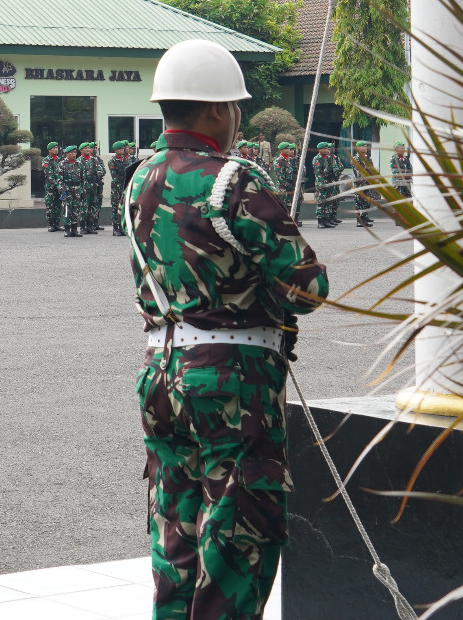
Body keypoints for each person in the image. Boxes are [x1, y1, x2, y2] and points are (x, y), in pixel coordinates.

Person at [129, 39, 328, 620]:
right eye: (235, 107)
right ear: (217, 110)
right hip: (232, 383)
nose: (237, 118)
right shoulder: (234, 180)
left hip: (162, 376)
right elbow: (309, 287)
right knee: (238, 538)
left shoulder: (140, 179)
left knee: (176, 536)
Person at [312, 142, 342, 228]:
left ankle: (326, 220)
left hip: (329, 183)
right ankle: (320, 221)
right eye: (325, 149)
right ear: (319, 149)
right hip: (321, 184)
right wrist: (322, 184)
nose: (327, 150)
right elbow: (318, 174)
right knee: (321, 203)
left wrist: (333, 179)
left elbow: (333, 169)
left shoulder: (329, 158)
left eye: (327, 148)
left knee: (328, 202)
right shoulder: (317, 159)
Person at [60, 144, 85, 238]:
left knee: (76, 210)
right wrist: (62, 190)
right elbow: (59, 179)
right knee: (67, 210)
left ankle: (74, 229)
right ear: (67, 153)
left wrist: (82, 189)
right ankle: (67, 229)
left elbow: (83, 178)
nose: (74, 154)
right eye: (71, 152)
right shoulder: (62, 164)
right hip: (67, 189)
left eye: (75, 152)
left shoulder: (79, 164)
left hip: (77, 189)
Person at [83, 142, 106, 234]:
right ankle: (83, 226)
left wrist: (97, 174)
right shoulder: (81, 160)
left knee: (95, 205)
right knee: (85, 206)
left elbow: (102, 170)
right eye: (93, 148)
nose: (94, 150)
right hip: (86, 186)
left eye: (95, 148)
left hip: (96, 185)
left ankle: (93, 223)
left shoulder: (96, 160)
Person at [352, 140, 375, 227]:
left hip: (367, 183)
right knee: (359, 202)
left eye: (365, 146)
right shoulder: (356, 158)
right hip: (360, 183)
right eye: (363, 146)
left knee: (366, 201)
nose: (365, 148)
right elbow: (359, 172)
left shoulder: (368, 157)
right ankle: (359, 220)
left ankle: (364, 218)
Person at [42, 142, 63, 231]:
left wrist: (60, 185)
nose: (56, 149)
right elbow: (48, 174)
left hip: (59, 187)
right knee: (50, 205)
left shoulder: (59, 160)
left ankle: (57, 224)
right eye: (54, 148)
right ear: (49, 150)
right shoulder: (46, 160)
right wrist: (56, 184)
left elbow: (62, 173)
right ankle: (51, 224)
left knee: (58, 205)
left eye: (56, 148)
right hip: (51, 187)